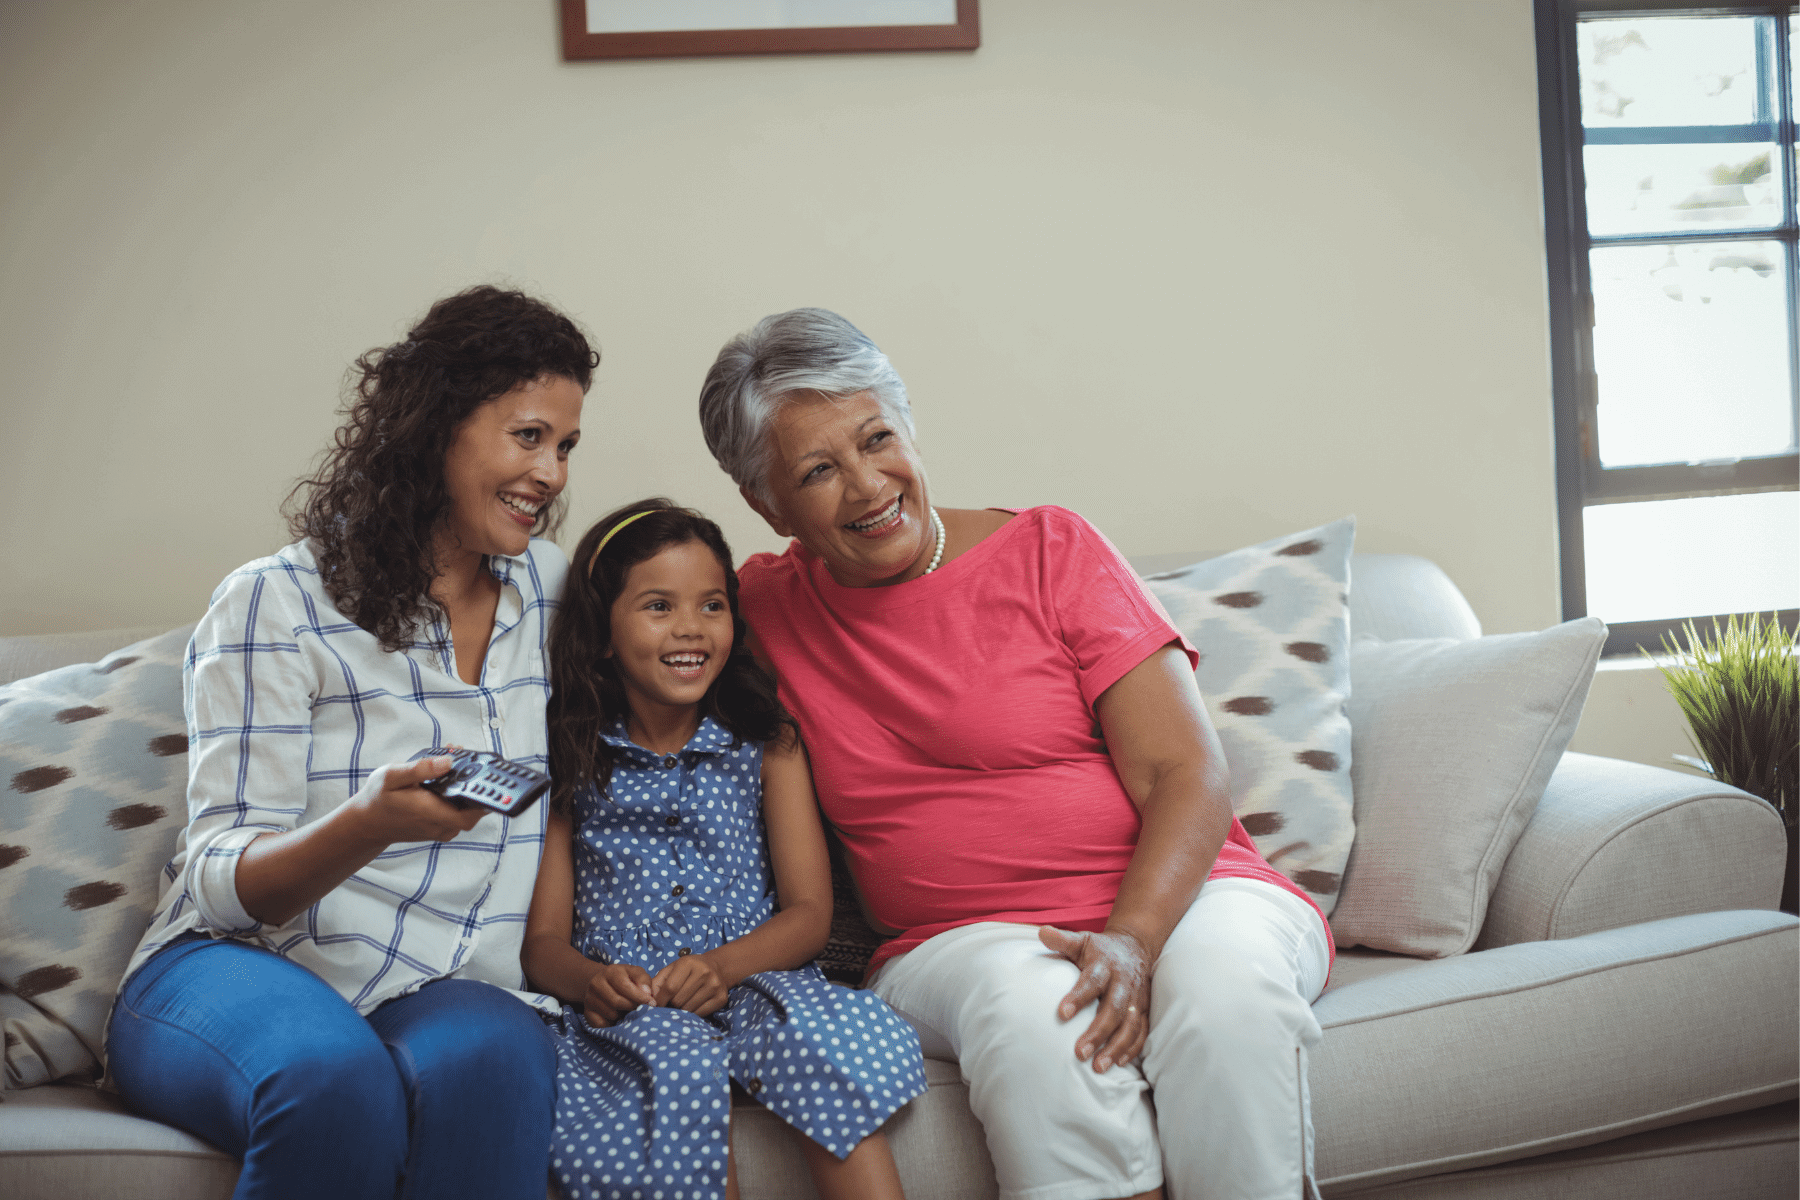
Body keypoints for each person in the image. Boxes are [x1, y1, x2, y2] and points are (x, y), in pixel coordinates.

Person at [699, 308, 1337, 1200]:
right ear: (766, 504)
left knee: (1224, 1000)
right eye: (817, 471)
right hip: (956, 940)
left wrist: (1133, 942)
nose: (868, 486)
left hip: (1190, 897)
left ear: (908, 425)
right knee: (1034, 1013)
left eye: (878, 438)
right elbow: (602, 634)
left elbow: (1185, 774)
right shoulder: (754, 613)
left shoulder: (1050, 550)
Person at [107, 285, 596, 1200]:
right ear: (435, 423)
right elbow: (221, 878)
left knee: (499, 1062)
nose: (554, 474)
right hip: (239, 962)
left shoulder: (556, 593)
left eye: (566, 446)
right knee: (334, 1081)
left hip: (441, 979)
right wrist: (366, 824)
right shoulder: (277, 602)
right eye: (528, 436)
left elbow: (690, 646)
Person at [524, 498, 926, 1200]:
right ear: (603, 632)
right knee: (671, 1065)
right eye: (658, 606)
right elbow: (543, 945)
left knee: (823, 1046)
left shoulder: (767, 742)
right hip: (639, 1003)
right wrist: (593, 982)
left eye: (712, 605)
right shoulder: (574, 759)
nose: (691, 628)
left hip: (757, 978)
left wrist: (717, 968)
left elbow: (808, 915)